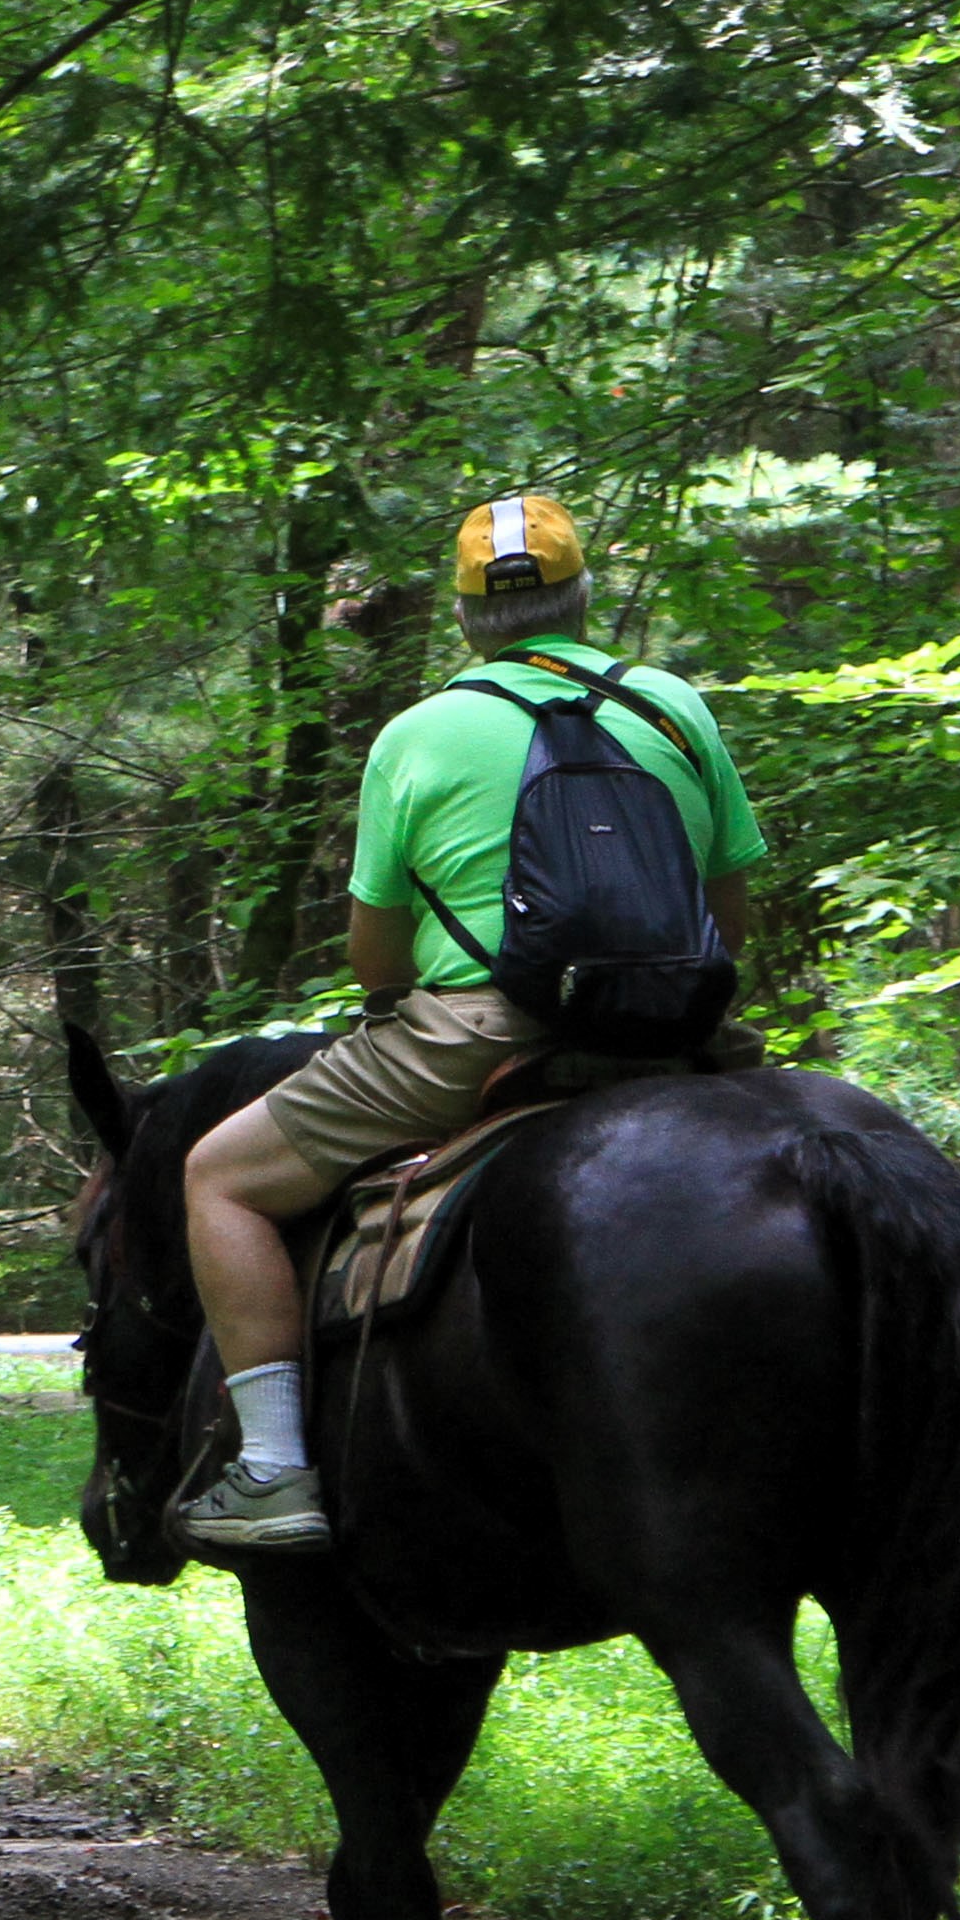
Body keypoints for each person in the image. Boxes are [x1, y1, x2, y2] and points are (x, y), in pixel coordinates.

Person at [174, 493, 766, 1550]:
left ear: (462, 616)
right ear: (581, 596)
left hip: (479, 1036)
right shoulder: (675, 705)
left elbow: (377, 960)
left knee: (216, 1177)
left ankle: (271, 1467)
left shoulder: (417, 734)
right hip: (677, 1036)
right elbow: (728, 919)